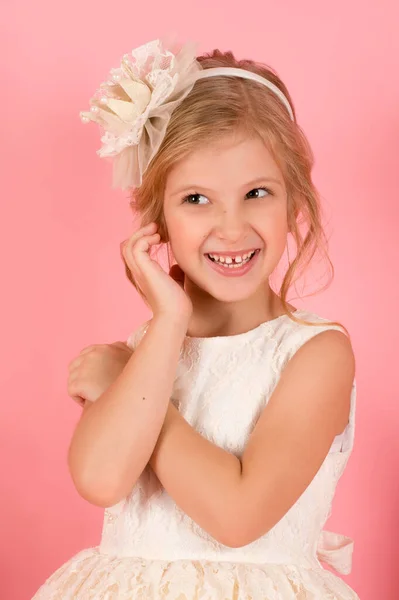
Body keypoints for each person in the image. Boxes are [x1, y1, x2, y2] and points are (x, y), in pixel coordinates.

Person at [32, 38, 358, 599]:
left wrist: (123, 384)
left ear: (294, 202)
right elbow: (101, 479)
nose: (230, 228)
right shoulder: (147, 348)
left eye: (257, 192)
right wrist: (167, 323)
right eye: (196, 199)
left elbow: (237, 516)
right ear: (158, 216)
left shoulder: (315, 353)